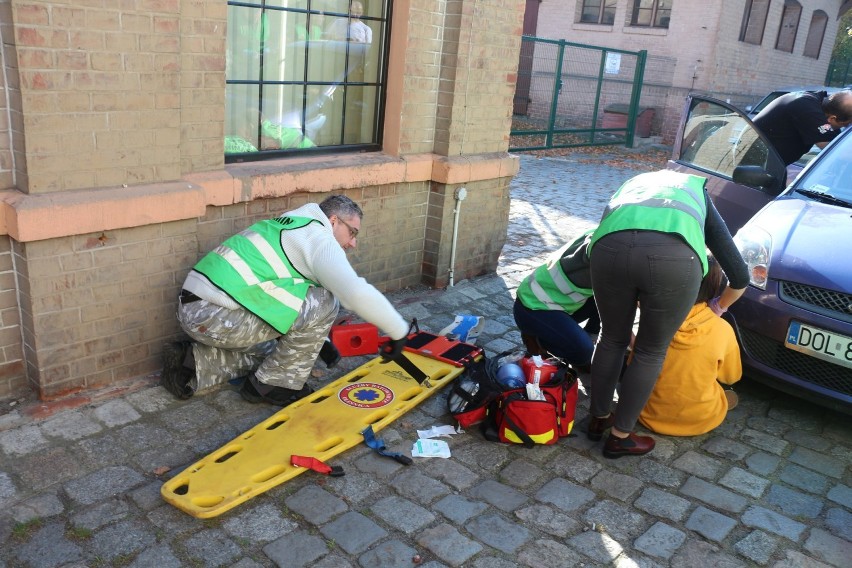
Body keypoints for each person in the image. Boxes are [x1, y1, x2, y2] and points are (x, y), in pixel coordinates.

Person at [161, 195, 409, 405]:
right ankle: (273, 386)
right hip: (214, 314)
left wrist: (318, 341)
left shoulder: (294, 224)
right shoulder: (320, 239)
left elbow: (281, 292)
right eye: (352, 232)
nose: (352, 243)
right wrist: (398, 331)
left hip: (198, 308)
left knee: (279, 354)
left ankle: (192, 362)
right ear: (333, 221)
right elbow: (354, 293)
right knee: (325, 299)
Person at [585, 169, 749, 458]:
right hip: (673, 261)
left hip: (606, 250)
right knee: (650, 351)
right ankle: (620, 436)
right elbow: (739, 274)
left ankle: (597, 420)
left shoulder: (630, 185)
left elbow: (605, 229)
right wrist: (719, 308)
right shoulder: (697, 192)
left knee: (611, 338)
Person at [638, 255, 741, 436]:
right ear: (715, 287)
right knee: (718, 386)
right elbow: (731, 377)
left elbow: (635, 365)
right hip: (702, 419)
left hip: (648, 414)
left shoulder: (652, 320)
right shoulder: (723, 330)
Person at [513, 229, 599, 372]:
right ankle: (539, 338)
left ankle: (587, 336)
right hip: (533, 307)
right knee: (584, 351)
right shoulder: (607, 253)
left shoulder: (606, 234)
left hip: (559, 303)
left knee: (610, 299)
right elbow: (617, 319)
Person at [752, 89, 852, 166]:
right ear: (832, 119)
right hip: (752, 166)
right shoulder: (807, 109)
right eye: (846, 125)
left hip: (766, 164)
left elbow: (835, 138)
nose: (844, 128)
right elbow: (836, 151)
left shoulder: (814, 102)